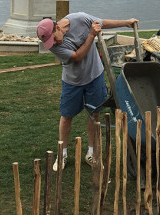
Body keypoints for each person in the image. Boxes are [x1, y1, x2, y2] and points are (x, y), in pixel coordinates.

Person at [36, 12, 138, 171]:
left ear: (58, 27)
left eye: (53, 38)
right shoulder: (55, 47)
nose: (53, 43)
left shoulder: (79, 19)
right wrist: (91, 34)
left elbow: (102, 22)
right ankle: (62, 153)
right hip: (72, 82)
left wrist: (125, 22)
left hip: (94, 76)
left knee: (94, 113)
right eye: (49, 42)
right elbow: (77, 56)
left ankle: (91, 153)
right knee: (66, 116)